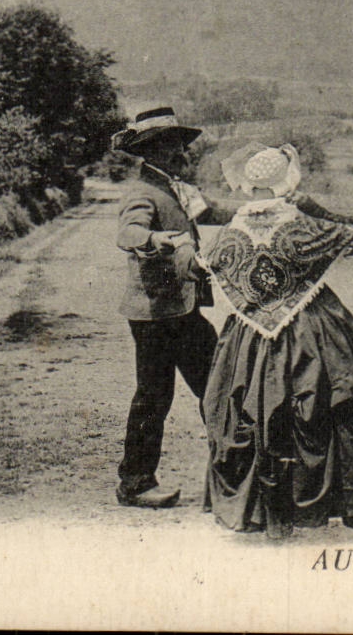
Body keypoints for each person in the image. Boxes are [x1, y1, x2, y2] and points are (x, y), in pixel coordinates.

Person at [199, 143, 353, 539]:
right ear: (286, 181)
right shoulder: (298, 226)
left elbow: (210, 262)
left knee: (261, 414)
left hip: (251, 338)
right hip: (310, 330)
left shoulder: (231, 232)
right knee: (343, 406)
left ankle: (274, 517)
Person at [111, 104, 226, 509]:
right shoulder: (144, 191)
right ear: (154, 149)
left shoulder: (176, 187)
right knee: (155, 396)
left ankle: (232, 473)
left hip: (182, 308)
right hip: (155, 314)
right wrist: (150, 240)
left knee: (218, 384)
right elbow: (129, 230)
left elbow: (213, 213)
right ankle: (137, 483)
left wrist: (261, 209)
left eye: (181, 143)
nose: (183, 151)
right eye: (174, 144)